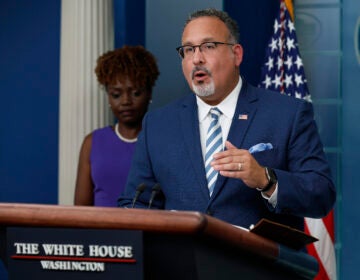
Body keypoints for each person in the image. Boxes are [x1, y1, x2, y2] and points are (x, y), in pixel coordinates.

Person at [117, 8, 336, 231]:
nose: (197, 59)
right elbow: (136, 203)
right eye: (189, 50)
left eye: (209, 46)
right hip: (181, 261)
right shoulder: (158, 124)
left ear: (236, 54)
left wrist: (265, 178)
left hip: (259, 263)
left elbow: (321, 195)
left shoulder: (287, 114)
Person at [74, 46, 160, 207]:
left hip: (148, 230)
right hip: (100, 231)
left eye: (135, 93)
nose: (126, 101)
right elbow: (80, 210)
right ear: (108, 96)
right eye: (116, 94)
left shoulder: (162, 142)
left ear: (149, 93)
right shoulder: (92, 142)